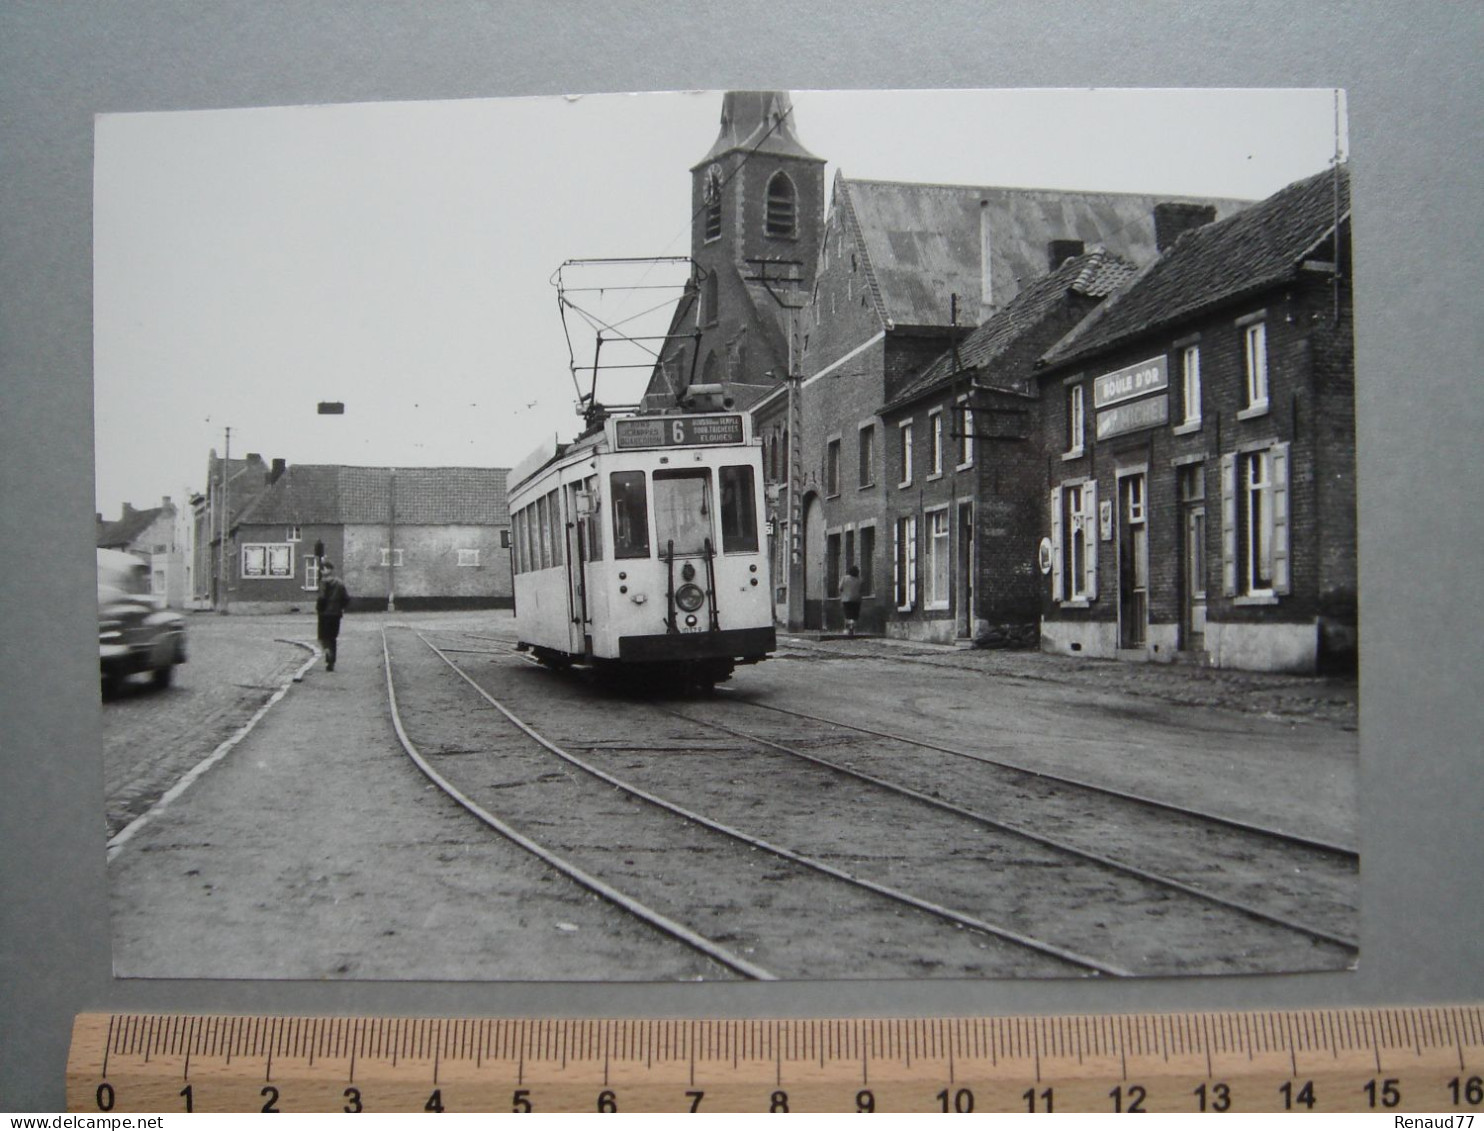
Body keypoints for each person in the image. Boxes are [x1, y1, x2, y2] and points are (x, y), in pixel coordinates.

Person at [315, 560, 351, 671]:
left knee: (322, 637)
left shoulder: (322, 583)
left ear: (327, 570)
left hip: (324, 614)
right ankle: (331, 662)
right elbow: (346, 598)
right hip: (335, 614)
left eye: (323, 568)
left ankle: (327, 652)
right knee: (332, 638)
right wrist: (341, 608)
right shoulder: (340, 583)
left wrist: (319, 609)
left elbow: (321, 599)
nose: (321, 571)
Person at [839, 565, 863, 637]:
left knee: (847, 614)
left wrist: (843, 592)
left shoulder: (844, 578)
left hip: (846, 599)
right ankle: (853, 628)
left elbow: (840, 588)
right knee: (855, 615)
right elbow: (862, 589)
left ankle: (847, 629)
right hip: (856, 599)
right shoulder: (859, 579)